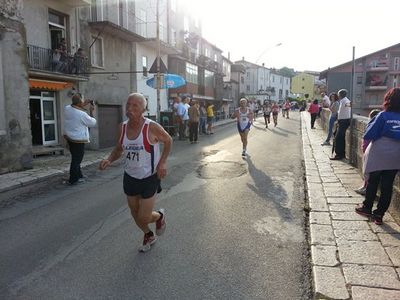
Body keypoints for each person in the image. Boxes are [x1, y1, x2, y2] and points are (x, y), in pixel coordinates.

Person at [99, 93, 172, 252]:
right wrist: (109, 159)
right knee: (134, 212)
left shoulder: (151, 127)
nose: (129, 109)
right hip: (130, 177)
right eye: (128, 105)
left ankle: (159, 216)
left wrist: (163, 162)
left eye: (135, 106)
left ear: (143, 109)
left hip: (149, 177)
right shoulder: (122, 127)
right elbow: (119, 149)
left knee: (144, 217)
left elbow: (168, 140)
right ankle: (148, 234)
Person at [355, 88, 400, 225]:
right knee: (387, 186)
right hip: (396, 155)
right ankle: (379, 215)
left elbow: (369, 134)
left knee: (373, 181)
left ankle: (367, 207)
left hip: (379, 152)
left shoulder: (382, 116)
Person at [63, 93, 97, 185]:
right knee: (77, 160)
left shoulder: (67, 109)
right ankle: (73, 179)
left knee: (75, 158)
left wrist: (82, 104)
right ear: (79, 103)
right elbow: (92, 122)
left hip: (69, 138)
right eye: (82, 101)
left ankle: (79, 176)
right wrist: (92, 111)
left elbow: (75, 107)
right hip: (78, 140)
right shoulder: (82, 114)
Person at [354, 109, 381, 195]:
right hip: (366, 151)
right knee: (366, 170)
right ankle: (364, 186)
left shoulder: (374, 127)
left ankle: (366, 188)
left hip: (370, 152)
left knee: (368, 171)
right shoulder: (372, 126)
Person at [330, 89, 351, 160]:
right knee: (340, 138)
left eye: (339, 94)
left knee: (338, 138)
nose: (338, 96)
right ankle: (341, 154)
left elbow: (348, 109)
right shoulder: (345, 101)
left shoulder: (345, 101)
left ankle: (339, 154)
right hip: (343, 121)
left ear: (340, 95)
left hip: (344, 121)